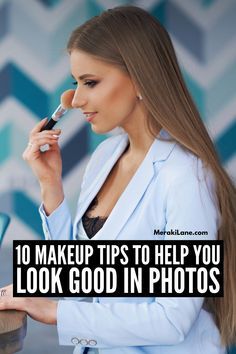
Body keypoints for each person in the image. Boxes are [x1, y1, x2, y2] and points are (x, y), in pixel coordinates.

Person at [0, 5, 235, 354]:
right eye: (75, 83)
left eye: (90, 82)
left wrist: (54, 311)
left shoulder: (188, 177)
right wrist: (51, 186)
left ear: (141, 79)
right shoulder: (106, 156)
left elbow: (173, 319)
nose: (76, 100)